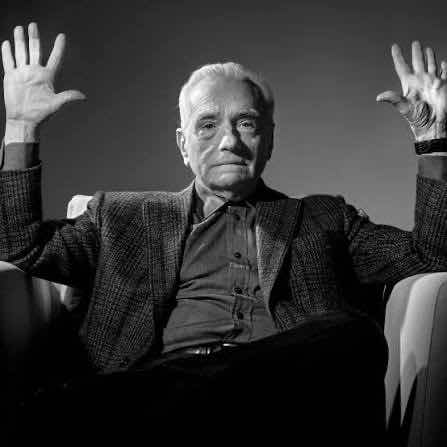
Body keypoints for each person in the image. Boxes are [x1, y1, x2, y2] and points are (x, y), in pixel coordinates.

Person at [1, 22, 447, 445]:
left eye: (246, 123)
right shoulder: (121, 218)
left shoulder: (325, 218)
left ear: (269, 140)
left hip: (282, 407)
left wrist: (433, 140)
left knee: (353, 336)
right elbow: (19, 246)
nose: (229, 141)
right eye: (208, 125)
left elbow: (431, 255)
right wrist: (22, 127)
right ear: (183, 144)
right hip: (152, 408)